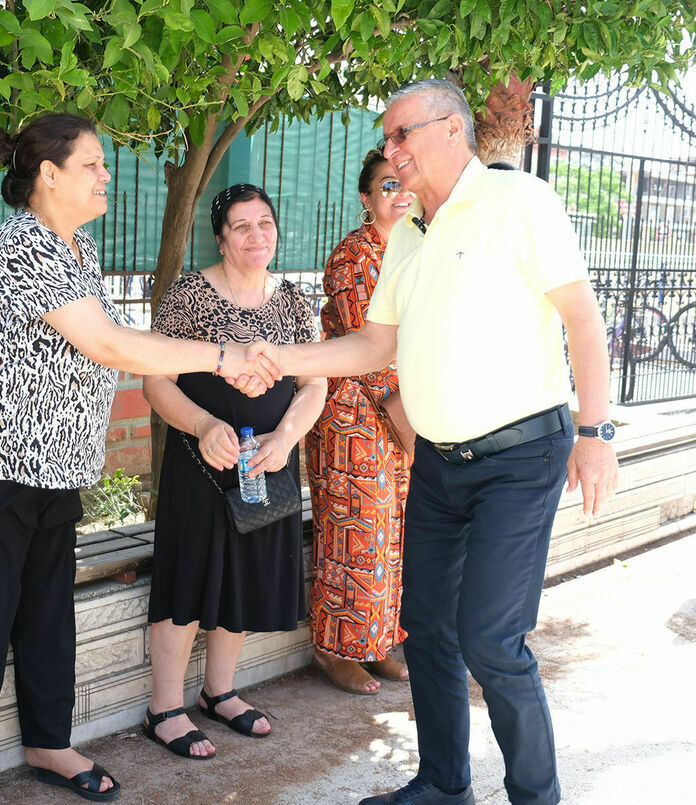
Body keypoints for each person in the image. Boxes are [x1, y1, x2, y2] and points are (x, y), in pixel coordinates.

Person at [256, 78, 618, 805]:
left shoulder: (519, 201)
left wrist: (595, 432)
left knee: (490, 639)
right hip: (438, 463)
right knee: (423, 626)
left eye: (403, 133)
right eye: (386, 138)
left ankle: (536, 796)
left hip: (520, 457)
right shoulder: (409, 234)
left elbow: (582, 316)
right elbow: (371, 345)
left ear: (453, 129)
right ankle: (445, 785)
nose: (391, 149)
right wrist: (278, 358)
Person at [0, 114, 277, 805]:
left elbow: (103, 340)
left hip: (52, 467)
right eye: (92, 164)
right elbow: (109, 344)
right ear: (49, 175)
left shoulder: (77, 247)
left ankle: (48, 741)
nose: (106, 175)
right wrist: (222, 356)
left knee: (47, 615)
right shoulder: (22, 246)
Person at [141, 184, 324, 760]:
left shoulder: (292, 302)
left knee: (241, 576)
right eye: (241, 226)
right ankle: (163, 708)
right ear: (220, 238)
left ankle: (219, 692)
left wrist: (286, 438)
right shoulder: (190, 295)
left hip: (266, 465)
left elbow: (315, 382)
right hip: (202, 464)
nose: (255, 235)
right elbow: (155, 379)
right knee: (188, 579)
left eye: (264, 223)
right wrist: (202, 425)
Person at [305, 151, 417, 695]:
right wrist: (408, 419)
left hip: (402, 408)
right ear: (366, 198)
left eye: (405, 183)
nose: (400, 194)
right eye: (387, 185)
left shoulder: (414, 248)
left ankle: (378, 643)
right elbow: (368, 348)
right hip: (355, 413)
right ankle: (334, 649)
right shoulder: (356, 255)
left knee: (391, 532)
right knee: (353, 532)